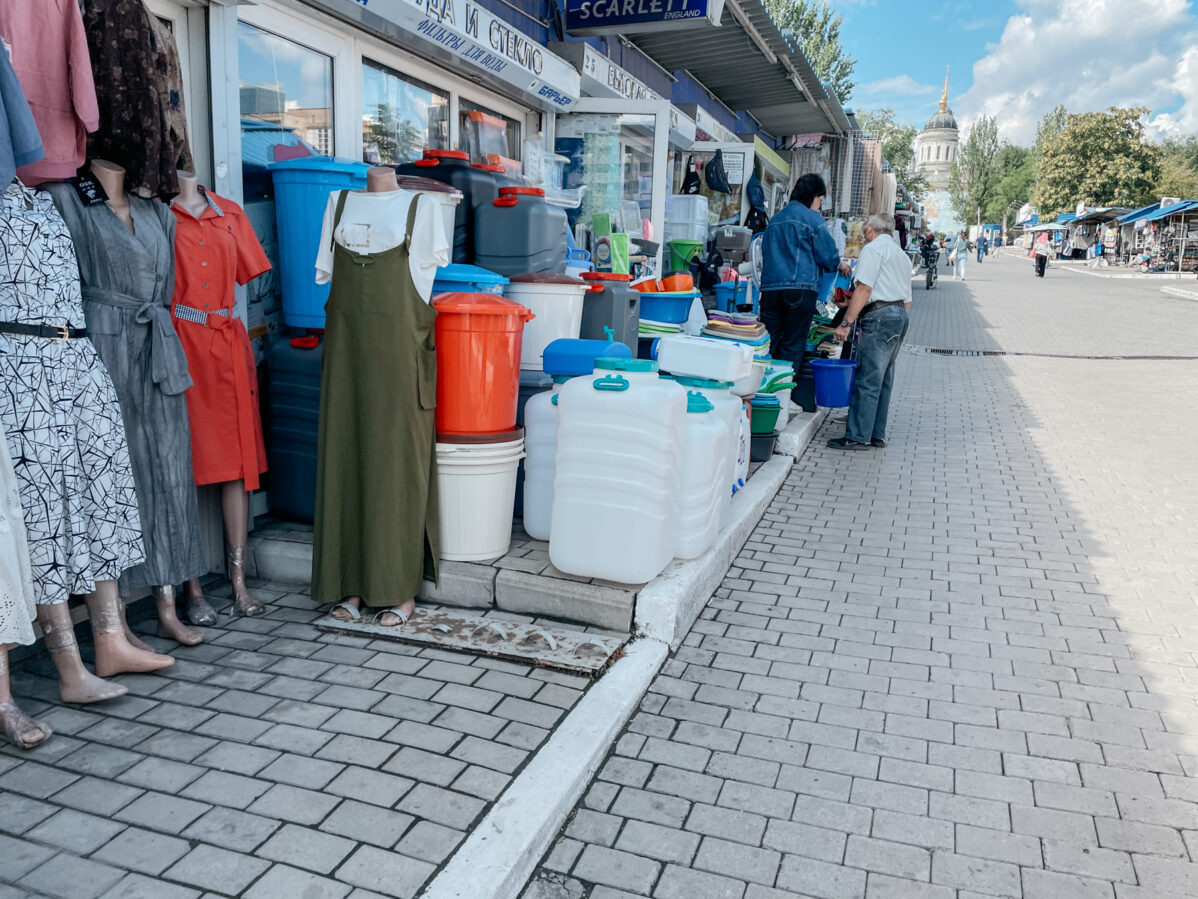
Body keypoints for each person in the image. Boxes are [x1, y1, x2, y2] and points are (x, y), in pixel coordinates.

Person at [759, 173, 845, 408]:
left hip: (770, 289)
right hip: (800, 290)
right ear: (814, 196)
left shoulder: (775, 220)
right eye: (820, 200)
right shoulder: (812, 219)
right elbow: (828, 257)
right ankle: (782, 399)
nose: (819, 205)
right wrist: (839, 264)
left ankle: (762, 395)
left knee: (769, 342)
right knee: (793, 344)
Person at [827, 213, 911, 450]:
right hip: (899, 315)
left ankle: (857, 436)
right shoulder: (901, 255)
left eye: (865, 232)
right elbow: (906, 299)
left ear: (871, 230)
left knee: (868, 378)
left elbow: (864, 288)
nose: (864, 236)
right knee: (884, 378)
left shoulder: (873, 250)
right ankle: (876, 434)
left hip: (879, 317)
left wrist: (846, 323)